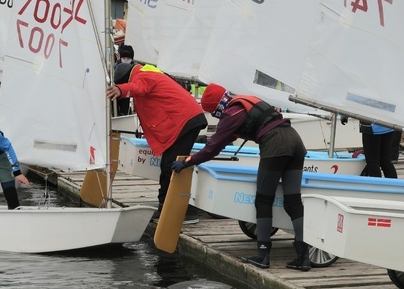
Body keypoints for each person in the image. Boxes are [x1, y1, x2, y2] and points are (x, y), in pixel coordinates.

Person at [171, 84, 311, 271]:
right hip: (295, 139)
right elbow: (229, 135)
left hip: (276, 144)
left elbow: (213, 147)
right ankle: (304, 257)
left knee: (263, 199)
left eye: (213, 112)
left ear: (216, 107)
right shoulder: (242, 103)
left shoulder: (231, 114)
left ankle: (262, 255)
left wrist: (188, 162)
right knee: (292, 200)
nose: (215, 116)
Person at [105, 64, 206, 222]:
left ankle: (182, 210)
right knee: (168, 164)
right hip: (184, 120)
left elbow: (139, 87)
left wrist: (121, 89)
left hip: (184, 120)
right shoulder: (148, 71)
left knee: (171, 165)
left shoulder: (143, 76)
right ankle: (166, 206)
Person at [112, 44, 135, 116]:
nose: (126, 60)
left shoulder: (134, 68)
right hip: (116, 92)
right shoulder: (116, 66)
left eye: (128, 58)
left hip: (127, 94)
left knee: (124, 110)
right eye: (124, 58)